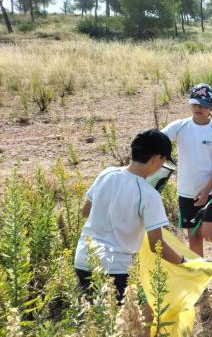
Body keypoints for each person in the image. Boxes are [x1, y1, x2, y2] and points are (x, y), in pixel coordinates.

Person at [74, 129, 185, 302]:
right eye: (163, 160)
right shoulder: (149, 194)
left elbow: (85, 212)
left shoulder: (106, 173)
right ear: (157, 159)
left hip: (83, 259)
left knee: (94, 321)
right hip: (115, 268)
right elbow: (157, 245)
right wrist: (183, 262)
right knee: (121, 322)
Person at [161, 83, 212, 267]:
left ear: (211, 107)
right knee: (194, 236)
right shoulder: (180, 126)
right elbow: (158, 138)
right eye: (195, 103)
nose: (198, 108)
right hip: (186, 191)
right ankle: (199, 275)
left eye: (203, 104)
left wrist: (206, 190)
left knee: (208, 232)